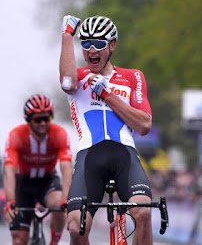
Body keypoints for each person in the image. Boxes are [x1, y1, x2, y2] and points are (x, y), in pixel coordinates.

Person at [59, 15, 153, 244]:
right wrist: (66, 37)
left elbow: (144, 125)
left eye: (99, 44)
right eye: (86, 43)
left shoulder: (133, 77)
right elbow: (66, 83)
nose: (92, 49)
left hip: (124, 155)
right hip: (89, 157)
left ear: (112, 46)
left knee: (143, 213)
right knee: (75, 227)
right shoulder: (80, 77)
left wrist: (107, 95)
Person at [3, 94, 73, 245]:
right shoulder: (16, 136)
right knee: (19, 239)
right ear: (28, 120)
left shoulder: (59, 134)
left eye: (46, 118)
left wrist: (65, 199)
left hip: (47, 180)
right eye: (37, 119)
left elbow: (66, 168)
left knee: (59, 203)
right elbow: (9, 171)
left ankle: (54, 242)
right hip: (23, 184)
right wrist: (10, 200)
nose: (43, 123)